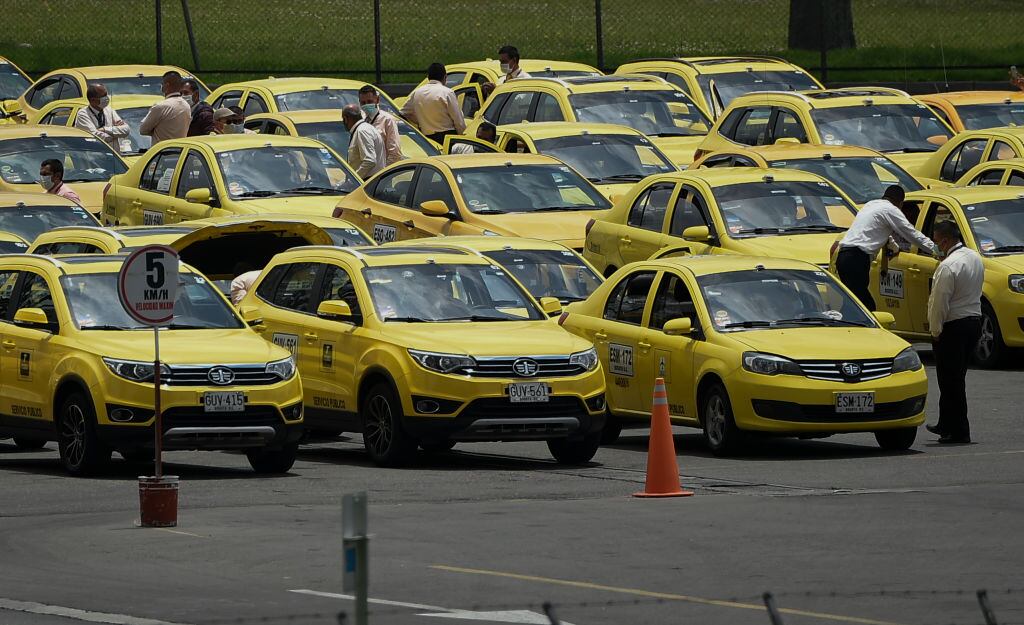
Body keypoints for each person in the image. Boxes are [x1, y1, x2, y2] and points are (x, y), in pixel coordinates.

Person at [926, 220, 984, 444]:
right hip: (973, 322)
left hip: (954, 326)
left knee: (951, 381)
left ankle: (959, 430)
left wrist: (935, 330)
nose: (936, 246)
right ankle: (946, 423)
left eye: (937, 242)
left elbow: (939, 302)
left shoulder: (948, 266)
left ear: (946, 240)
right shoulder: (974, 257)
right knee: (955, 378)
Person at [834, 185, 936, 310]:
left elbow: (880, 233)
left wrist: (895, 248)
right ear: (900, 203)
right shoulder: (891, 210)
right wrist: (935, 249)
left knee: (853, 304)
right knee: (865, 307)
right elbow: (911, 233)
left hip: (843, 256)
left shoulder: (871, 205)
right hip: (857, 259)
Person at [400, 63, 466, 144]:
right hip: (447, 138)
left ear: (428, 77)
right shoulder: (447, 92)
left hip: (426, 139)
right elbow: (458, 120)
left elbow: (403, 113)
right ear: (445, 77)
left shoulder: (417, 93)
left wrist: (419, 122)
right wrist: (462, 138)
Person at [73, 83, 130, 154]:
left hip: (114, 157)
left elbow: (126, 130)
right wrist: (115, 131)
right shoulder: (83, 114)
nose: (107, 98)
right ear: (93, 100)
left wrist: (104, 129)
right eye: (103, 96)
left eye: (106, 94)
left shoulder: (109, 110)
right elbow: (95, 136)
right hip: (95, 159)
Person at [139, 70, 191, 144]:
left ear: (167, 85)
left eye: (162, 84)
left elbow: (143, 130)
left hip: (162, 152)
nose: (162, 86)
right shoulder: (186, 106)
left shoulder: (160, 106)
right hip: (180, 151)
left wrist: (156, 130)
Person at [358, 85, 404, 165]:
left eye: (369, 102)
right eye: (363, 103)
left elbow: (395, 153)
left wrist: (382, 172)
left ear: (377, 100)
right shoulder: (360, 119)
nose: (366, 105)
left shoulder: (387, 120)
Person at [342, 104, 386, 179]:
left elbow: (370, 161)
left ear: (346, 119)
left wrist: (354, 180)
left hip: (368, 182)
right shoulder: (366, 128)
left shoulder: (362, 131)